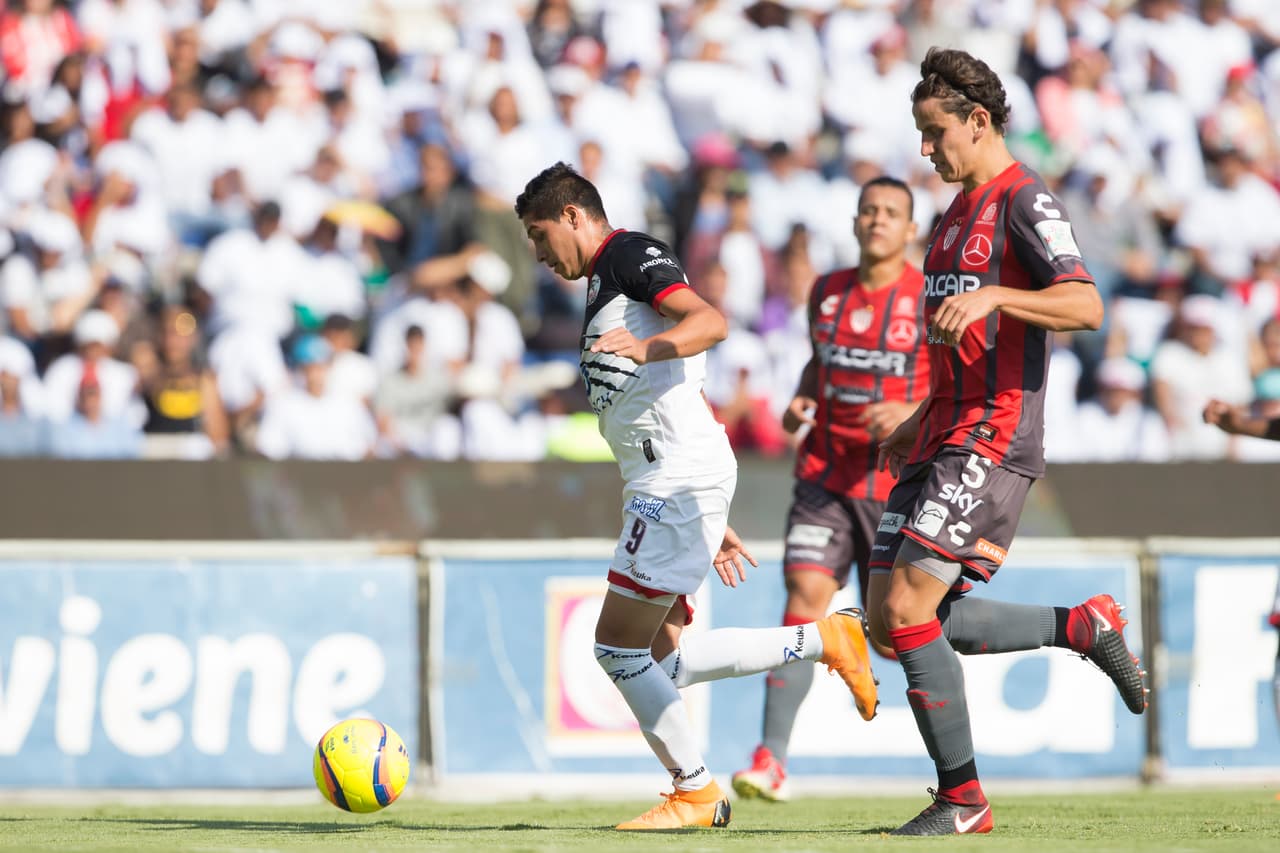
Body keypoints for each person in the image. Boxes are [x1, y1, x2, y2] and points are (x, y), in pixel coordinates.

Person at [515, 162, 878, 831]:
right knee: (661, 661)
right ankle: (824, 638)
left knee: (616, 649)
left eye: (540, 236)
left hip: (674, 477)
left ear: (571, 215)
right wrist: (714, 507)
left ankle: (696, 789)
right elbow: (679, 389)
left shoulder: (626, 254)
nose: (539, 255)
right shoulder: (606, 278)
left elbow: (709, 322)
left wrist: (649, 348)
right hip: (677, 475)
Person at [869, 48, 1148, 836]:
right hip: (944, 432)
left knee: (905, 605)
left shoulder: (1025, 199)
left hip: (992, 436)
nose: (926, 149)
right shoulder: (954, 212)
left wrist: (998, 291)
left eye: (934, 132)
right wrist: (922, 417)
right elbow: (962, 337)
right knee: (900, 621)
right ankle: (1082, 626)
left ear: (979, 121)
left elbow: (1086, 304)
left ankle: (963, 800)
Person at [731, 175, 931, 802]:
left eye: (891, 213)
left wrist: (908, 411)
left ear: (910, 229)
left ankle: (955, 760)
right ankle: (771, 760)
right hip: (823, 474)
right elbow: (822, 361)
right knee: (805, 593)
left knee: (898, 629)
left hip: (889, 482)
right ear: (854, 222)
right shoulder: (826, 291)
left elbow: (956, 383)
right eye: (868, 210)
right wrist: (801, 398)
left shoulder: (927, 297)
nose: (877, 221)